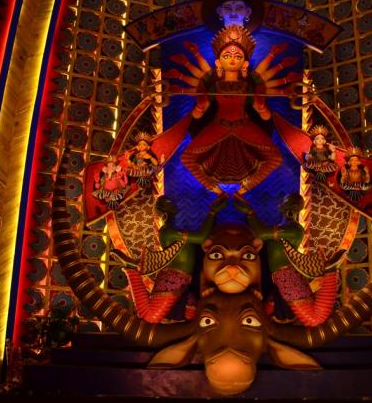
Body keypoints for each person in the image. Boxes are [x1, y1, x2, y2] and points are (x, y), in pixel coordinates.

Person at [181, 25, 282, 194]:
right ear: (218, 62)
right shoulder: (214, 86)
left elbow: (264, 116)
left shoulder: (248, 86)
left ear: (245, 63)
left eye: (238, 56)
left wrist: (261, 108)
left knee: (275, 158)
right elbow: (199, 114)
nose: (232, 59)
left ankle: (243, 190)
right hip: (219, 125)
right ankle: (215, 189)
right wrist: (200, 106)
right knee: (187, 157)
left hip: (243, 124)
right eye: (227, 56)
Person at [234, 194, 339, 326]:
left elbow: (261, 233)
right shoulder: (281, 227)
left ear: (293, 207)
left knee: (313, 319)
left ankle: (330, 272)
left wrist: (249, 212)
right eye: (283, 200)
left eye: (285, 201)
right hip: (278, 277)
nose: (280, 203)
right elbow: (261, 235)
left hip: (287, 276)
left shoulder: (295, 229)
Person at [122, 194, 227, 323]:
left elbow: (200, 238)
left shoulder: (175, 230)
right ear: (163, 213)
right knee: (155, 315)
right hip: (174, 279)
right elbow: (201, 237)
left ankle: (132, 270)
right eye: (167, 204)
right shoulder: (167, 231)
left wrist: (212, 213)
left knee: (158, 315)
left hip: (178, 279)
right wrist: (212, 212)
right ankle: (132, 270)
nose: (173, 205)